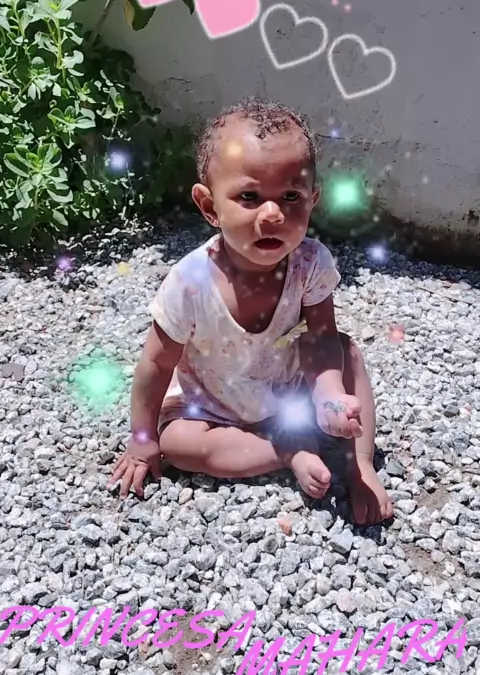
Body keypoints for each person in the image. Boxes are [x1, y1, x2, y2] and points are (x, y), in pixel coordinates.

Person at [107, 98, 393, 525]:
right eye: (249, 196)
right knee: (179, 444)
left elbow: (320, 339)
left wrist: (328, 393)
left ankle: (359, 465)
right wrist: (143, 438)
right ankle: (287, 449)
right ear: (209, 207)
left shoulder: (310, 263)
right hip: (212, 402)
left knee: (347, 351)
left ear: (312, 201)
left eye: (291, 196)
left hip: (287, 388)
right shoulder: (189, 282)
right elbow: (156, 363)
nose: (273, 213)